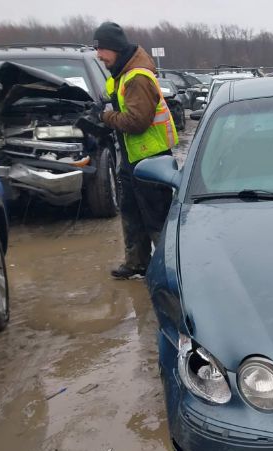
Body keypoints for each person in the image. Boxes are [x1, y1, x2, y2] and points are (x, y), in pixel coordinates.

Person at [89, 22, 177, 280]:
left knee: (155, 216)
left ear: (115, 48)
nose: (99, 55)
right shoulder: (121, 73)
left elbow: (137, 122)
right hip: (132, 157)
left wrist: (106, 117)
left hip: (151, 160)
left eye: (102, 49)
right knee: (131, 211)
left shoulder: (137, 77)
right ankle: (137, 262)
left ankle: (168, 268)